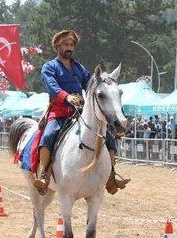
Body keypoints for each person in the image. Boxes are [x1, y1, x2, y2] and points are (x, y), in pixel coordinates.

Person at [32, 29, 128, 195]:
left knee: (109, 138)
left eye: (71, 44)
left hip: (80, 113)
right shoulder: (49, 67)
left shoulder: (79, 68)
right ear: (57, 46)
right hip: (59, 112)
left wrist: (104, 84)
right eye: (65, 44)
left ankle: (111, 175)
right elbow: (52, 86)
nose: (69, 47)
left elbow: (91, 84)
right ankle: (43, 176)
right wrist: (66, 97)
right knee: (48, 136)